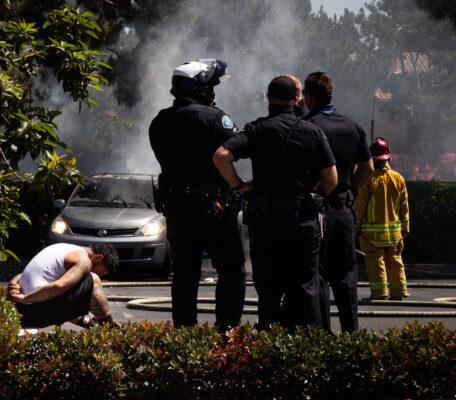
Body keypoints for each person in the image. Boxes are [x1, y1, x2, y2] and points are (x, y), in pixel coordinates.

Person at [213, 76, 338, 331]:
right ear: (297, 99)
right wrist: (312, 194)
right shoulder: (312, 131)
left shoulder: (256, 130)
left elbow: (221, 156)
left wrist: (239, 185)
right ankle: (308, 348)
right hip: (302, 221)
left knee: (269, 291)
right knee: (306, 287)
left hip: (266, 222)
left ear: (267, 97)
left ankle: (270, 351)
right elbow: (332, 180)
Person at [149, 58, 246, 332]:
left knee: (183, 273)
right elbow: (235, 150)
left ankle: (185, 335)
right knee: (231, 268)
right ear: (199, 87)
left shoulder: (160, 121)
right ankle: (227, 331)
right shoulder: (216, 119)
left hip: (177, 210)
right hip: (213, 209)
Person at [303, 71, 374, 333]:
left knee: (317, 275)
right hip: (343, 210)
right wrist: (350, 189)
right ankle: (351, 333)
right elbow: (367, 167)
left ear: (309, 97)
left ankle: (323, 335)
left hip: (313, 213)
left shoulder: (306, 127)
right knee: (346, 274)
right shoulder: (353, 127)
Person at [8, 243, 119, 328]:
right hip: (36, 308)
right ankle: (110, 329)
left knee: (68, 287)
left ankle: (90, 324)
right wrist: (24, 298)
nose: (100, 276)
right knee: (93, 280)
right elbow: (58, 287)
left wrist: (14, 283)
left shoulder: (61, 247)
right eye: (99, 272)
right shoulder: (84, 260)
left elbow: (29, 274)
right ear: (97, 258)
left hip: (22, 313)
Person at [356, 137, 410, 300]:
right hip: (394, 233)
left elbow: (360, 206)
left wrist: (356, 227)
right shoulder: (398, 178)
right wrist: (405, 228)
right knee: (395, 260)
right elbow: (404, 206)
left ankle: (380, 293)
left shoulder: (368, 180)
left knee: (376, 262)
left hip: (371, 233)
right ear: (388, 158)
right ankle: (399, 291)